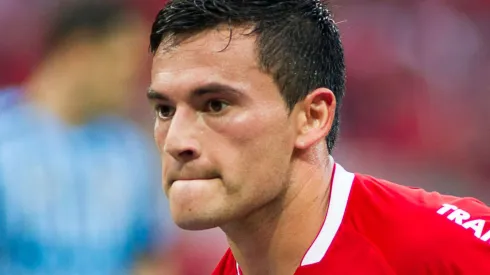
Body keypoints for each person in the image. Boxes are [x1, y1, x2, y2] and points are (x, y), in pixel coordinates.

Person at [147, 0, 490, 274]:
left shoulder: (451, 251)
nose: (177, 142)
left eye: (216, 105)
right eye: (165, 110)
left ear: (313, 117)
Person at [0, 2, 177, 275]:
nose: (133, 77)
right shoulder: (6, 138)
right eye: (121, 59)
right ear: (79, 52)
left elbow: (150, 257)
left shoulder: (131, 151)